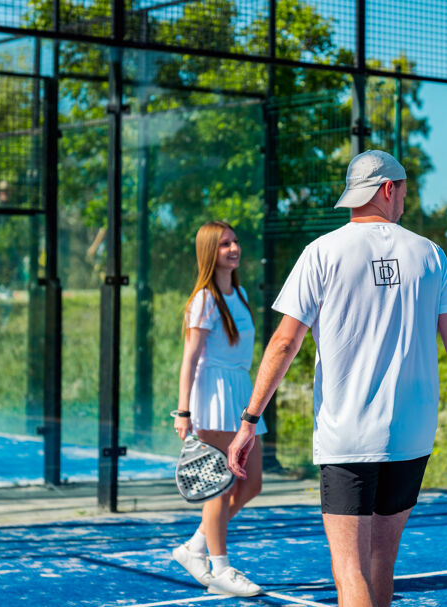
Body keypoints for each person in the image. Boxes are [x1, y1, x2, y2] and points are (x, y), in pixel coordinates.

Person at [227, 150, 447, 607]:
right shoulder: (430, 255)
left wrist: (250, 420)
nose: (406, 200)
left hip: (347, 437)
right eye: (406, 190)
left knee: (349, 572)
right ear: (389, 189)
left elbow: (283, 344)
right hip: (411, 437)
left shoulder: (321, 252)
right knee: (380, 566)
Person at [171, 220, 266, 598]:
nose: (233, 248)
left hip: (241, 393)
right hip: (211, 397)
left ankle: (195, 547)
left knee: (251, 482)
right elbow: (190, 359)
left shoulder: (239, 293)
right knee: (218, 486)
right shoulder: (204, 300)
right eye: (225, 244)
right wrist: (183, 411)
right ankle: (220, 570)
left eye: (235, 242)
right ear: (210, 252)